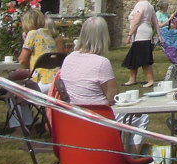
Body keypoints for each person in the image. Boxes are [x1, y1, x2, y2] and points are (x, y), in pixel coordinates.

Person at [59, 15, 149, 152]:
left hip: (75, 116)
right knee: (142, 117)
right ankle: (130, 156)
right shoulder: (101, 63)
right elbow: (112, 97)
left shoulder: (68, 59)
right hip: (100, 117)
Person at [121, 0, 159, 88]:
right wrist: (159, 35)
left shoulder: (140, 5)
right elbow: (155, 21)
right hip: (144, 34)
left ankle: (150, 80)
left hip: (141, 34)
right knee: (133, 57)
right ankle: (132, 79)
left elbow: (136, 20)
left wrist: (129, 35)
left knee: (144, 59)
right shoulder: (149, 5)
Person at [18, 8, 60, 90]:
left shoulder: (32, 33)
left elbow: (22, 60)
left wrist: (25, 40)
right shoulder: (47, 33)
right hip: (54, 79)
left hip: (41, 81)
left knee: (16, 90)